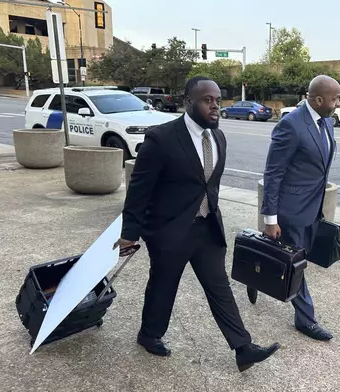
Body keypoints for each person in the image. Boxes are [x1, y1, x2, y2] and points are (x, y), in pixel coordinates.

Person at [114, 76, 279, 372]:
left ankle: (243, 348)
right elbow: (139, 189)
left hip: (206, 227)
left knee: (219, 287)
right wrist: (130, 233)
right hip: (170, 231)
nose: (215, 106)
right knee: (164, 286)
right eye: (207, 100)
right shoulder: (161, 138)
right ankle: (149, 335)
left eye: (217, 100)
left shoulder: (218, 138)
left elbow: (208, 186)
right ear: (189, 102)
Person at [254, 75, 340, 341]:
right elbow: (273, 173)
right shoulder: (290, 125)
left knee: (293, 258)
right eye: (335, 98)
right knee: (297, 264)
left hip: (312, 207)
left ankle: (254, 274)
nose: (338, 103)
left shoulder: (327, 122)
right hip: (290, 211)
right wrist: (270, 219)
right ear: (318, 99)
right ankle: (306, 320)